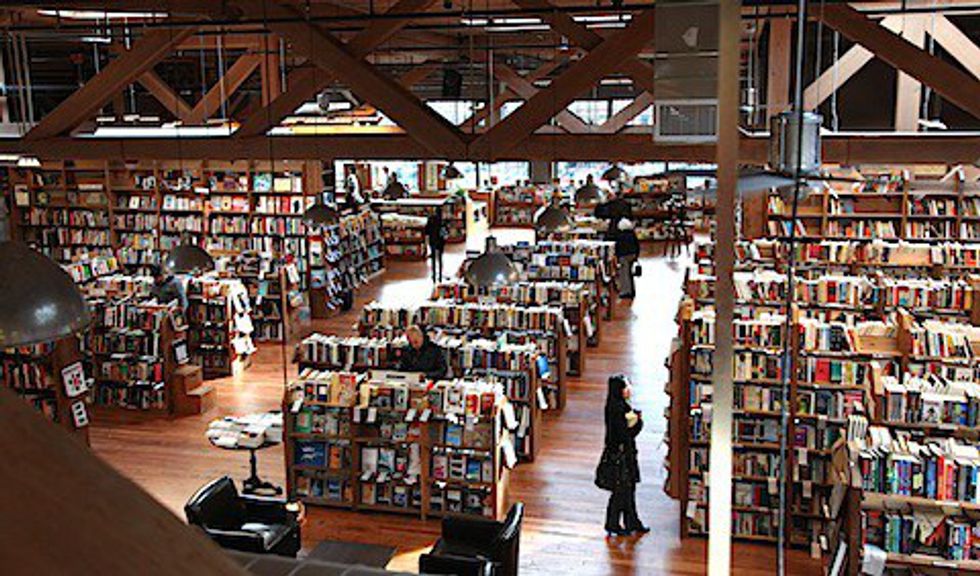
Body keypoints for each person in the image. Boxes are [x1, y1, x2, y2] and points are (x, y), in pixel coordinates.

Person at [601, 374, 649, 536]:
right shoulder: (619, 409)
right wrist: (639, 423)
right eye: (625, 387)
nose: (629, 390)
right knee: (623, 490)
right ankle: (616, 523)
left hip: (620, 453)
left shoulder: (615, 405)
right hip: (622, 455)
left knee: (626, 490)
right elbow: (626, 434)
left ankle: (630, 522)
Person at [613, 218, 640, 299]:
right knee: (630, 273)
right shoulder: (632, 234)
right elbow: (637, 245)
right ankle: (632, 290)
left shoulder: (620, 235)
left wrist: (617, 256)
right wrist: (636, 255)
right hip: (632, 255)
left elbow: (618, 247)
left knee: (624, 274)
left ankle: (626, 291)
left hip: (624, 255)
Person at [424, 210, 446, 283]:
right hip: (440, 241)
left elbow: (426, 232)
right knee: (440, 259)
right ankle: (440, 276)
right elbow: (445, 233)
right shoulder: (442, 222)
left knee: (433, 259)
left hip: (432, 241)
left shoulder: (430, 221)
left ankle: (434, 276)